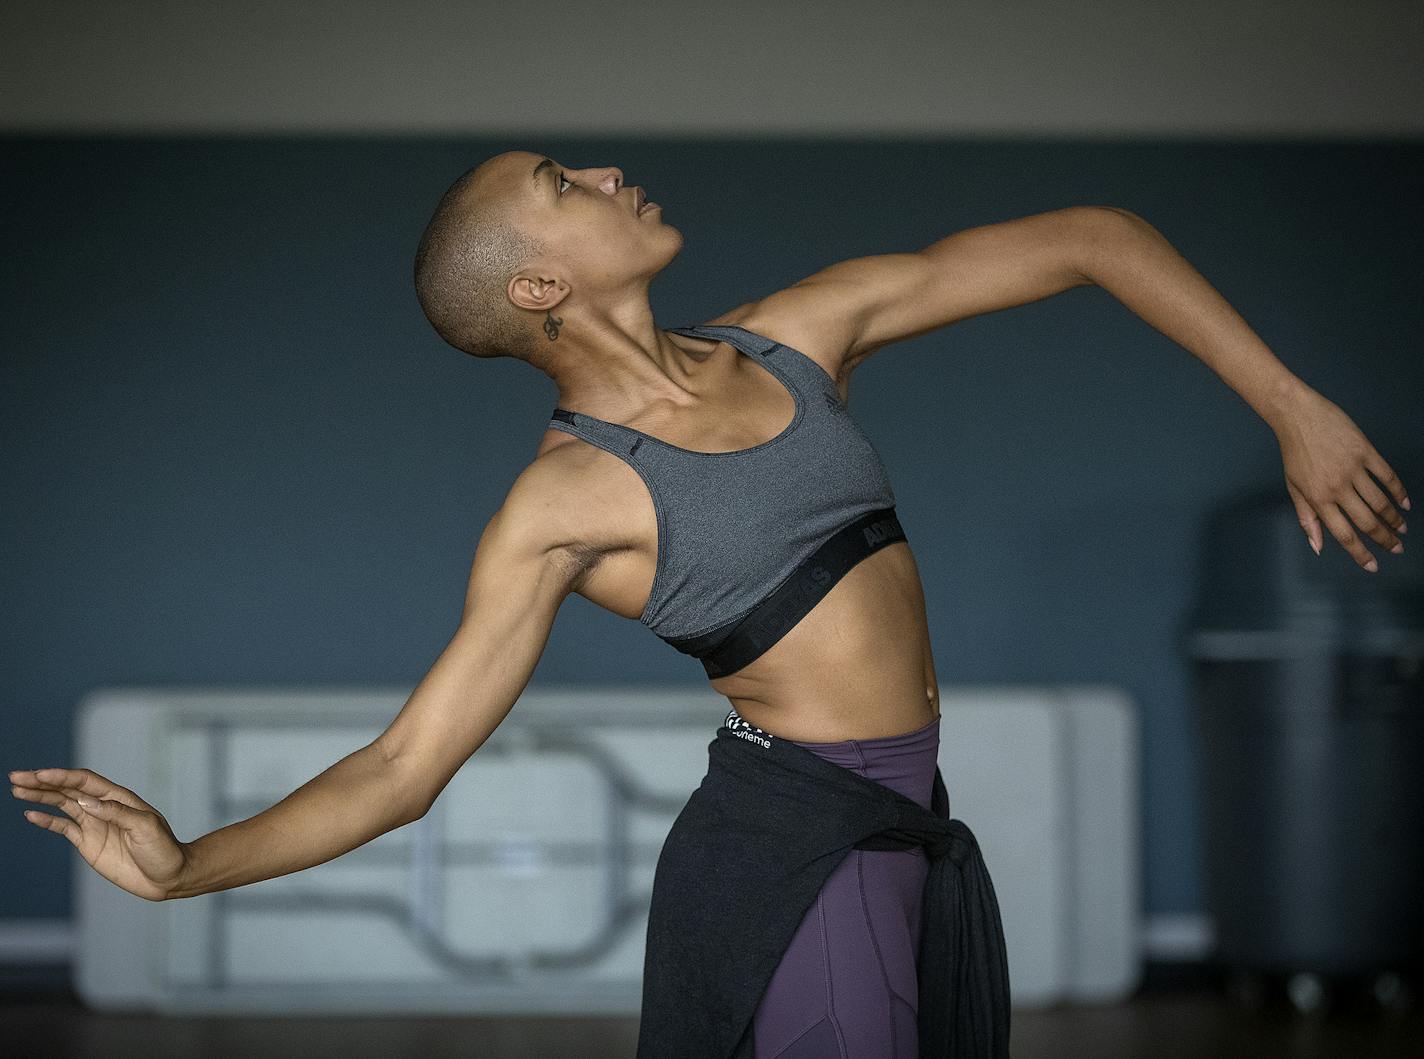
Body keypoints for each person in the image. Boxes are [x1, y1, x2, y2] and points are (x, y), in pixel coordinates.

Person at [10, 150, 1410, 1057]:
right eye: (563, 180)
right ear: (542, 284)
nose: (608, 169)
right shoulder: (564, 505)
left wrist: (1291, 408)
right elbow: (405, 765)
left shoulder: (798, 343)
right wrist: (188, 867)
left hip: (900, 825)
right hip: (797, 849)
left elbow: (1094, 235)